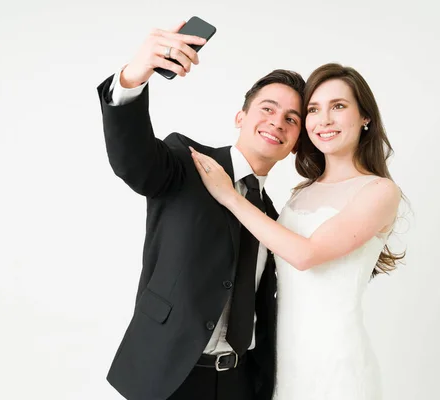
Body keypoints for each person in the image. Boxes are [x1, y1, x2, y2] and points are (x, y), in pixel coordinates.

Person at [96, 21, 305, 400]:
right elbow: (132, 160)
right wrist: (133, 76)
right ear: (241, 118)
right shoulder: (186, 162)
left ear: (293, 143)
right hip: (168, 376)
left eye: (292, 119)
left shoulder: (274, 217)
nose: (278, 121)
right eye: (268, 108)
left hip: (239, 382)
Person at [190, 62, 404, 400]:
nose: (325, 120)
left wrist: (229, 196)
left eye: (339, 106)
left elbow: (305, 255)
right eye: (314, 110)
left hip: (336, 362)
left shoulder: (379, 192)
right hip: (285, 361)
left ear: (365, 117)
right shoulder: (301, 193)